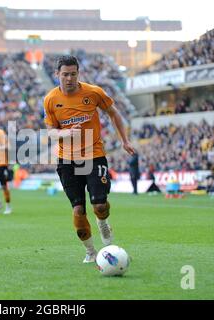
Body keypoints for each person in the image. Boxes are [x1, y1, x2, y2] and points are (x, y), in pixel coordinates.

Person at [43, 55, 135, 263]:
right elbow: (50, 131)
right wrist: (64, 134)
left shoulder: (93, 92)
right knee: (78, 210)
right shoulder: (50, 99)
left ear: (78, 74)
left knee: (100, 206)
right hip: (67, 161)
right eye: (65, 74)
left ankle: (103, 223)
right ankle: (91, 251)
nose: (69, 79)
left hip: (94, 156)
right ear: (57, 74)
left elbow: (114, 113)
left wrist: (124, 140)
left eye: (73, 74)